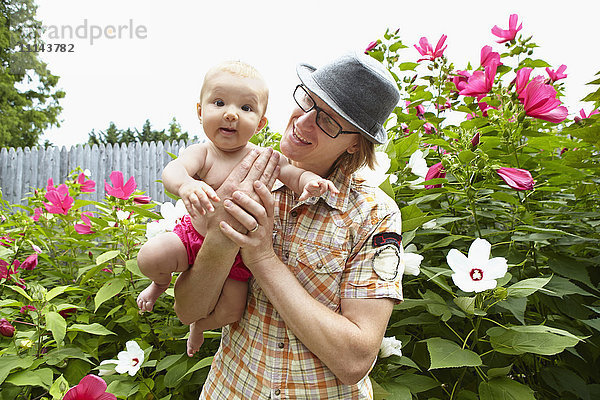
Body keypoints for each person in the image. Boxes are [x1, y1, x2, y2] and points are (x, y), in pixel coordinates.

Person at [174, 52, 404, 399]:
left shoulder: (374, 215)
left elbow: (354, 360)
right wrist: (223, 235)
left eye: (329, 120)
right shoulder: (245, 175)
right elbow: (187, 311)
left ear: (356, 142)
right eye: (307, 101)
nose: (304, 121)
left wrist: (262, 257)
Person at [136, 61, 338, 357]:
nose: (231, 113)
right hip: (192, 237)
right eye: (219, 102)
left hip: (238, 254)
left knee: (231, 311)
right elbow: (173, 171)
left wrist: (310, 181)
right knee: (149, 257)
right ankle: (159, 284)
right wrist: (186, 186)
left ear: (260, 124)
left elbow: (293, 175)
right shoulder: (202, 153)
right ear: (200, 111)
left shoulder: (264, 158)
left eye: (246, 108)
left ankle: (201, 326)